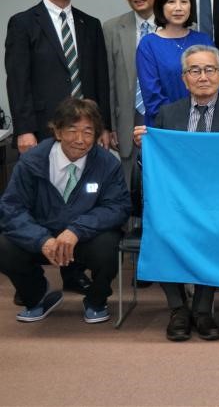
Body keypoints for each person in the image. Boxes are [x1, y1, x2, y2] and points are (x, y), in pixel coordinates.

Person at [5, 0, 111, 297]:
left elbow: (100, 79)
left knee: (79, 196)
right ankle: (33, 272)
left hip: (85, 131)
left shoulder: (90, 24)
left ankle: (73, 272)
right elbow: (17, 80)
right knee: (47, 197)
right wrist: (24, 130)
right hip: (44, 129)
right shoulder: (23, 23)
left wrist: (104, 126)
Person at [133, 45, 219, 341]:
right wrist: (144, 148)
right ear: (184, 79)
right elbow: (155, 166)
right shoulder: (167, 114)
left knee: (213, 231)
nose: (203, 77)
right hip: (175, 203)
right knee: (161, 231)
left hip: (218, 203)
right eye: (194, 71)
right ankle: (178, 309)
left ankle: (202, 309)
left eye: (209, 70)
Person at [0, 98, 131, 324]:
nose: (80, 140)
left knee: (109, 246)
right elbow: (11, 208)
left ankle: (96, 300)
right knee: (4, 246)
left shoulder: (107, 164)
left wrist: (76, 230)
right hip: (42, 237)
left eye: (88, 132)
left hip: (84, 237)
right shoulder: (31, 161)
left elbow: (118, 207)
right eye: (72, 131)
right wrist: (41, 239)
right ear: (58, 132)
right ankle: (37, 296)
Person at [103, 0, 161, 184]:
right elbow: (108, 82)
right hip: (127, 121)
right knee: (131, 188)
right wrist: (109, 126)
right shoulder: (111, 28)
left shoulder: (177, 26)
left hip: (165, 118)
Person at [136, 0, 215, 127]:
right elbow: (153, 97)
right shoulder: (148, 44)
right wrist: (184, 122)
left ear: (191, 5)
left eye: (184, 1)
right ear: (161, 5)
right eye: (171, 1)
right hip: (165, 127)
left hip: (205, 125)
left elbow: (216, 86)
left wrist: (201, 120)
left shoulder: (204, 40)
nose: (178, 8)